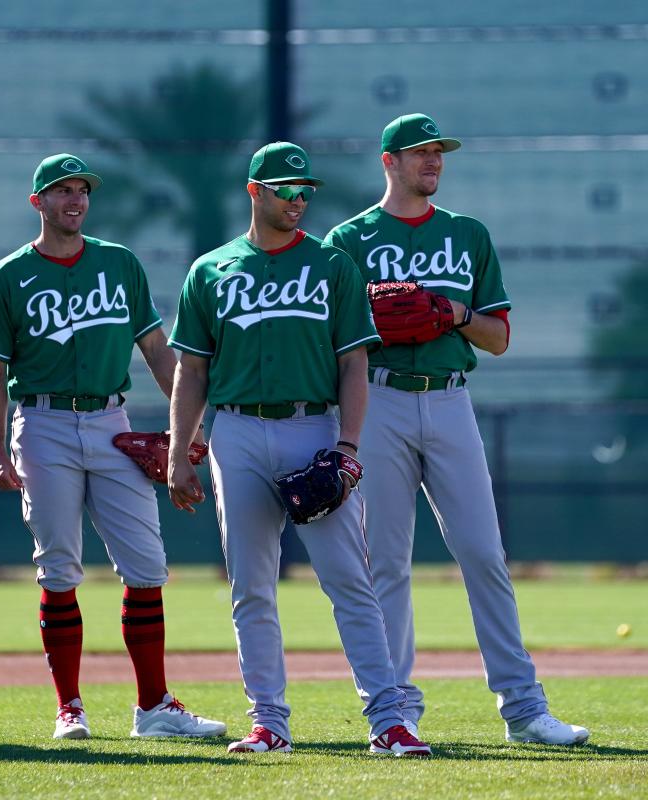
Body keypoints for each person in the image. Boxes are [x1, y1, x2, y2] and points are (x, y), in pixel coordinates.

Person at [325, 113, 589, 746]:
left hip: (449, 399)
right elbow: (334, 341)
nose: (434, 161)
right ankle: (395, 711)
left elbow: (497, 338)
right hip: (379, 400)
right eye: (420, 152)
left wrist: (453, 311)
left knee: (483, 555)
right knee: (385, 563)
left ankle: (524, 710)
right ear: (388, 161)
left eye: (438, 152)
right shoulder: (348, 240)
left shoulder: (467, 234)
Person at [167, 142, 432, 756]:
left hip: (313, 430)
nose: (299, 200)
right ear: (255, 192)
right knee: (251, 584)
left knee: (349, 581)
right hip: (236, 432)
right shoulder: (212, 270)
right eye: (287, 189)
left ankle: (389, 720)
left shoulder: (332, 265)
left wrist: (347, 445)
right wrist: (182, 451)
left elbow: (354, 364)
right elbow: (192, 371)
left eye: (305, 190)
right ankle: (269, 722)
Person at [0, 153, 226, 741]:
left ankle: (154, 707)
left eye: (82, 190)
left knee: (146, 565)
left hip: (113, 421)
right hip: (43, 422)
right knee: (59, 567)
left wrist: (188, 430)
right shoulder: (9, 275)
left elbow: (160, 352)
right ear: (37, 202)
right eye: (61, 191)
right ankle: (70, 708)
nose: (74, 200)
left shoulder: (119, 264)